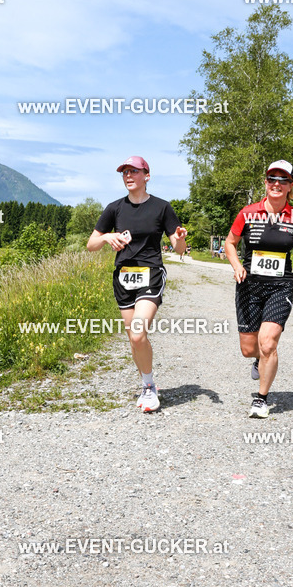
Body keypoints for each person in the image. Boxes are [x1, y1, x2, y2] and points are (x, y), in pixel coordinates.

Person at [224, 159, 293, 418]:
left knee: (268, 342)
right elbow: (230, 242)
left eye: (283, 180)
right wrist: (236, 264)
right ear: (265, 182)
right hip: (248, 286)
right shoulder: (248, 212)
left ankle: (261, 400)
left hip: (280, 287)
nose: (277, 184)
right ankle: (259, 360)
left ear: (291, 186)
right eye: (272, 179)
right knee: (250, 348)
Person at [86, 155, 187, 412]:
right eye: (124, 172)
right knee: (134, 338)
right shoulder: (114, 208)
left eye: (134, 171)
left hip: (151, 274)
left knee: (139, 331)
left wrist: (180, 238)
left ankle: (150, 388)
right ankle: (147, 383)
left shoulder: (162, 207)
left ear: (147, 176)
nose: (128, 176)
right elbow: (91, 245)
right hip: (123, 277)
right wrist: (107, 236)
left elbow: (178, 248)